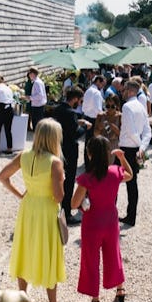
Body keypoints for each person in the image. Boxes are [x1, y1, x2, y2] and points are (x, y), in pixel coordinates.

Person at [0, 119, 66, 302]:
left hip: (28, 207)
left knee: (24, 248)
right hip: (46, 209)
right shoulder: (55, 162)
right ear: (54, 138)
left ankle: (23, 298)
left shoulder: (23, 156)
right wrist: (61, 179)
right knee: (48, 251)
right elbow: (59, 196)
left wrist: (20, 194)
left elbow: (2, 177)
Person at [71, 137, 133, 302]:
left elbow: (75, 204)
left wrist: (84, 202)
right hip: (111, 220)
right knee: (114, 254)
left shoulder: (86, 178)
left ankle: (95, 300)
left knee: (91, 260)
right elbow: (130, 175)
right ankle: (120, 289)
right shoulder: (114, 172)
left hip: (92, 222)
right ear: (107, 153)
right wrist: (122, 158)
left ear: (89, 155)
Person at [52, 87, 91, 225]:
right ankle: (66, 213)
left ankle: (56, 208)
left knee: (56, 179)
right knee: (68, 182)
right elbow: (75, 134)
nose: (79, 104)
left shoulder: (57, 109)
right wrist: (84, 127)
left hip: (57, 147)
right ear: (75, 99)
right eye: (79, 101)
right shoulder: (70, 113)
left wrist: (77, 123)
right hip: (69, 150)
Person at [117, 80, 152, 227]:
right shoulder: (141, 107)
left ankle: (110, 213)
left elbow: (131, 131)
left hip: (126, 148)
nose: (122, 92)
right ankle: (131, 216)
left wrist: (139, 146)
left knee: (113, 180)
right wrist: (142, 148)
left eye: (124, 89)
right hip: (136, 148)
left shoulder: (127, 106)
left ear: (130, 90)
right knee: (132, 183)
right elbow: (147, 131)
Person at [0, 74, 16, 154]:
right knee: (8, 130)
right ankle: (9, 148)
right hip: (10, 109)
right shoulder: (8, 87)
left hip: (2, 109)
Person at [26, 67, 47, 132]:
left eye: (29, 74)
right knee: (38, 126)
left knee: (37, 126)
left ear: (32, 74)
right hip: (38, 106)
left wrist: (30, 97)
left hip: (37, 106)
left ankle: (38, 141)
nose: (29, 75)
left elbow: (40, 95)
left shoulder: (37, 82)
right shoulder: (38, 81)